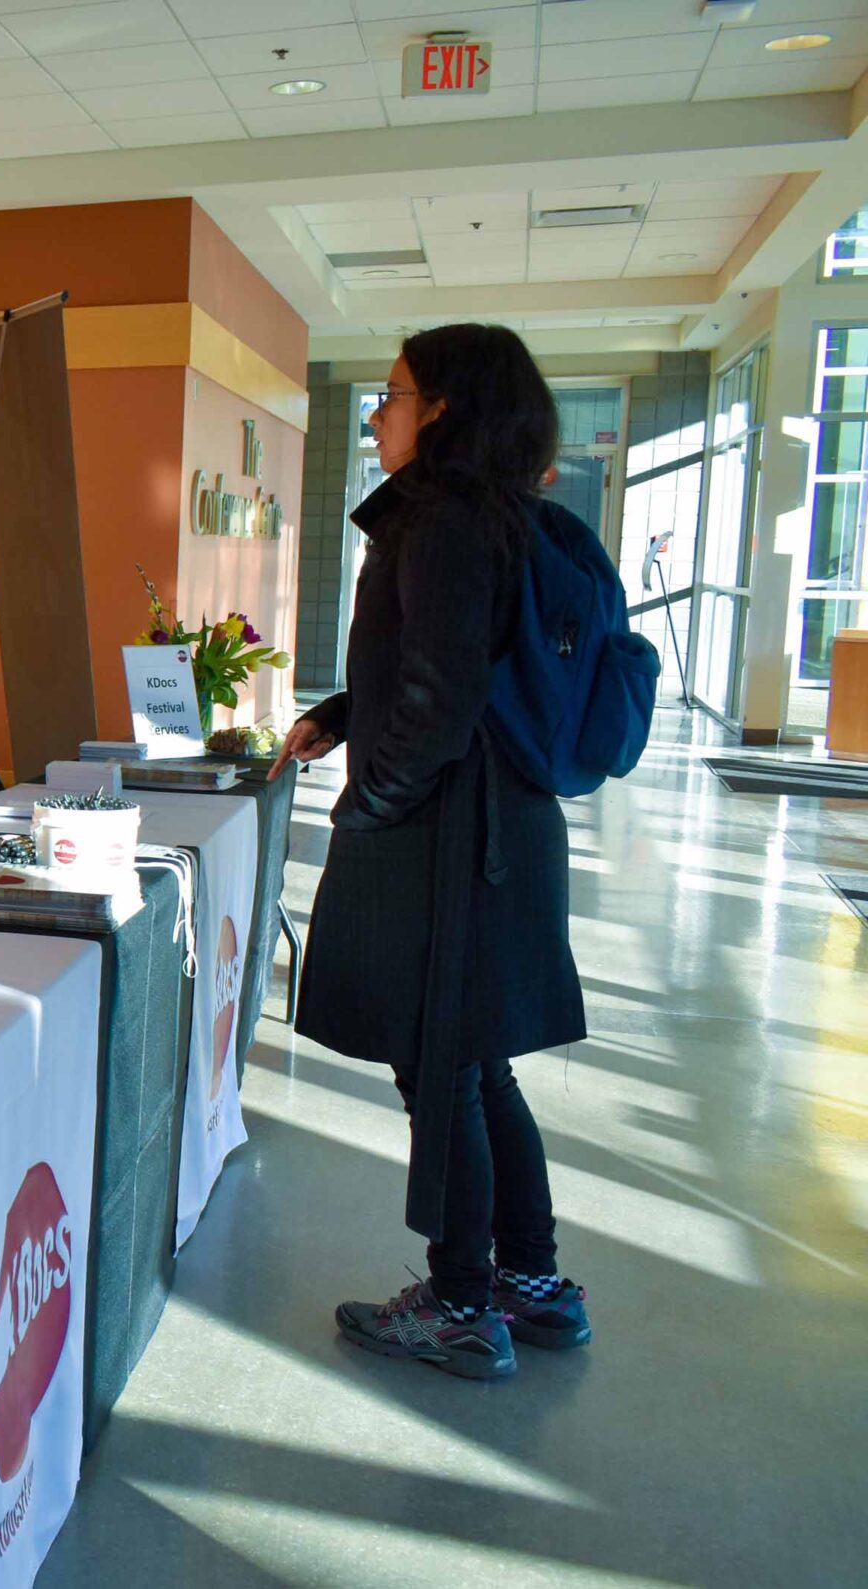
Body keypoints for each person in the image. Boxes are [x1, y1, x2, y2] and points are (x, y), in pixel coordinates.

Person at [271, 323, 591, 1379]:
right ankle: (530, 1278)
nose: (378, 413)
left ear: (445, 408)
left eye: (395, 394)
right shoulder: (491, 515)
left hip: (450, 838)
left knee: (443, 1064)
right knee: (474, 1059)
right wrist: (341, 711)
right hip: (494, 827)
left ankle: (460, 1299)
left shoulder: (442, 520)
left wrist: (373, 806)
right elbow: (440, 660)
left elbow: (443, 694)